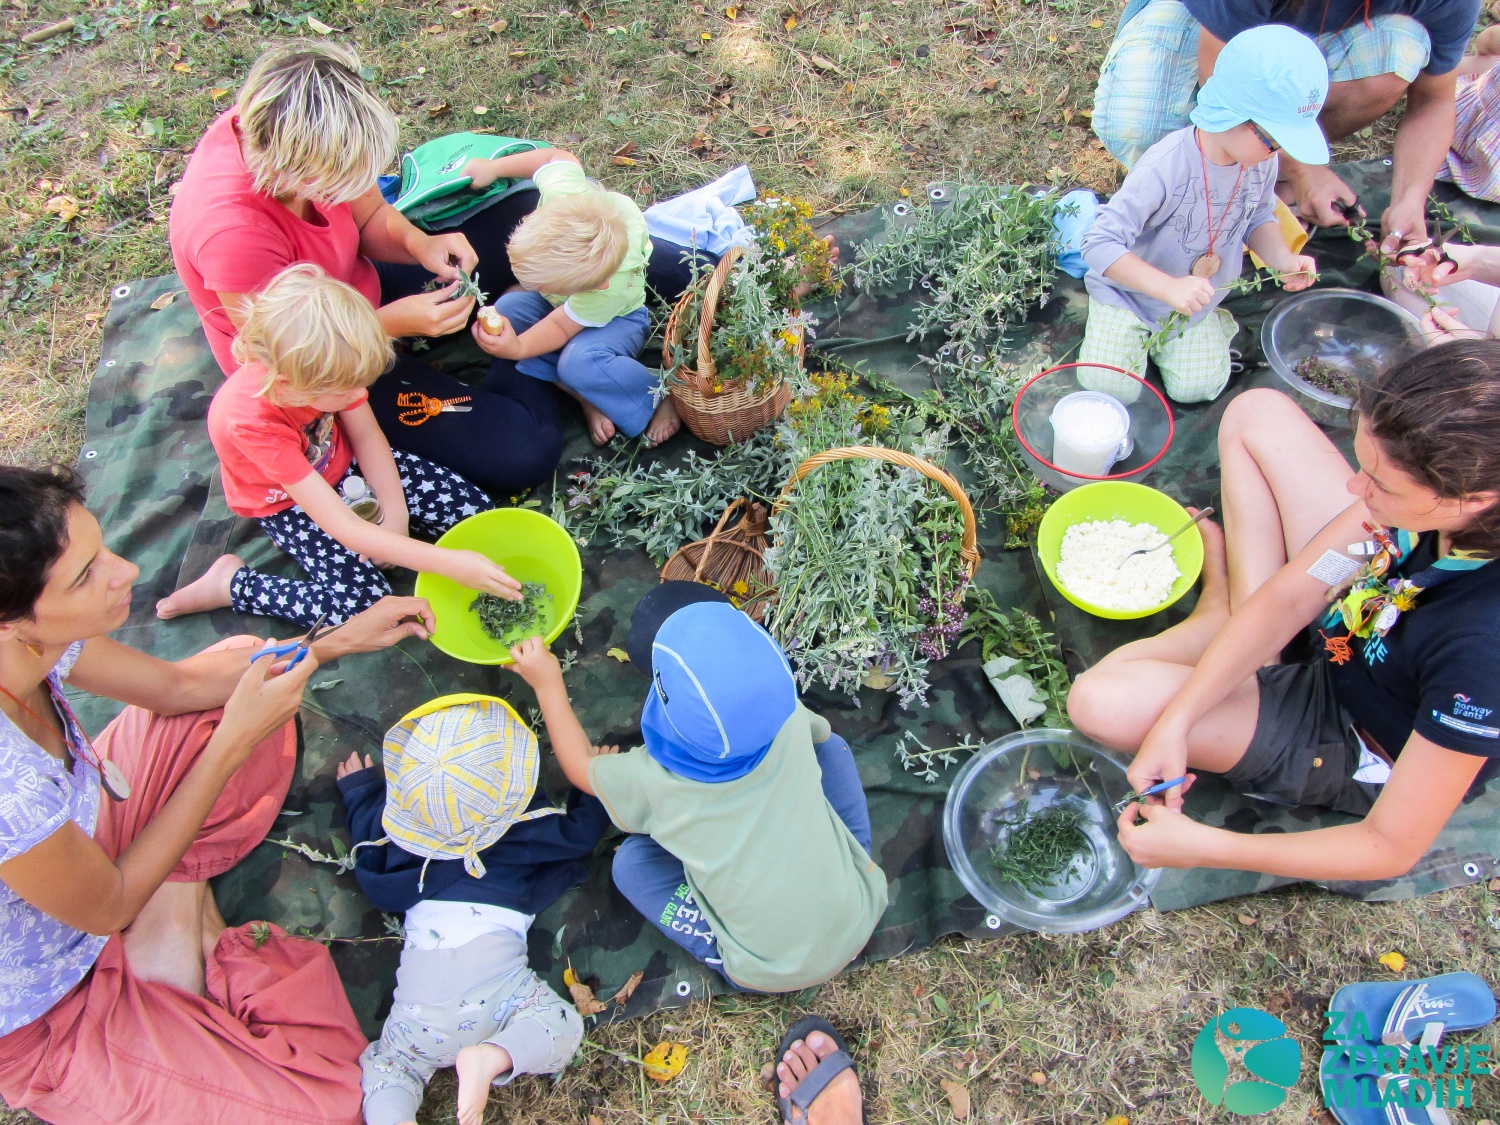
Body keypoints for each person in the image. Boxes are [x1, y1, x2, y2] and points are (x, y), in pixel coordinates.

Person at [0, 462, 438, 1125]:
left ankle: (167, 920)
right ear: (10, 621)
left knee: (242, 663)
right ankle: (162, 946)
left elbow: (176, 689)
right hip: (53, 996)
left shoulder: (32, 644)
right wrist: (234, 737)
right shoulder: (8, 781)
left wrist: (334, 643)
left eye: (100, 550)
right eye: (86, 575)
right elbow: (103, 903)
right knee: (334, 1104)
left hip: (92, 843)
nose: (123, 572)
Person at [1067, 340, 1500, 882]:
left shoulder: (1483, 653)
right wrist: (1178, 721)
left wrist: (1204, 845)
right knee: (1257, 413)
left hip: (1349, 729)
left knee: (1099, 701)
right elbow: (1299, 591)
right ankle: (1238, 630)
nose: (1353, 486)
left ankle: (1228, 631)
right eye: (1362, 463)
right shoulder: (1427, 506)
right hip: (1361, 617)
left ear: (1473, 498)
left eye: (1378, 482)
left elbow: (1388, 846)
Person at [169, 41, 564, 497]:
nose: (352, 188)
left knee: (533, 217)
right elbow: (290, 356)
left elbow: (370, 216)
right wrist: (392, 324)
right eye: (339, 181)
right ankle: (525, 336)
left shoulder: (301, 129)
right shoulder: (231, 233)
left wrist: (420, 244)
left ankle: (517, 316)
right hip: (321, 361)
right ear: (293, 168)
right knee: (523, 449)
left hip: (359, 289)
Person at [504, 582, 888, 993]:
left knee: (632, 863)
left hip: (767, 970)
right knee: (831, 746)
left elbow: (580, 768)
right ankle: (846, 864)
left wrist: (547, 684)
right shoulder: (788, 718)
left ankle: (729, 948)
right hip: (860, 909)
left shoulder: (652, 780)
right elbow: (820, 742)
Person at [155, 265, 520, 629]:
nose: (359, 396)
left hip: (342, 466)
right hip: (289, 502)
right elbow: (341, 525)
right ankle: (234, 585)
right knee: (367, 610)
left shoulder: (332, 374)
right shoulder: (250, 423)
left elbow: (367, 438)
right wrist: (447, 562)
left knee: (475, 512)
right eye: (347, 392)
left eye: (361, 384)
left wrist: (396, 518)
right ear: (285, 388)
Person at [335, 695, 608, 1125]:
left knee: (393, 1067)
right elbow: (580, 836)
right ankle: (491, 1057)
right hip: (498, 995)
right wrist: (590, 783)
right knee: (562, 1027)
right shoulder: (524, 830)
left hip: (419, 1016)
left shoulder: (401, 850)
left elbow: (369, 849)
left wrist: (360, 793)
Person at [1092, 0, 1481, 242]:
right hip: (1205, 19)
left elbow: (1433, 100)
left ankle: (1260, 175)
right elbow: (1218, 73)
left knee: (1401, 52)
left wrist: (1409, 200)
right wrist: (1303, 170)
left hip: (1318, 26)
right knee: (1140, 128)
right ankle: (1257, 172)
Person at [1079, 25, 1323, 403]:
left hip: (1196, 303)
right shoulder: (1165, 166)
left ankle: (1201, 331)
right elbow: (1098, 244)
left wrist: (1283, 260)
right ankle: (1120, 333)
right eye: (1272, 139)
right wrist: (1168, 288)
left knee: (1198, 387)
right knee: (1110, 387)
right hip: (1129, 295)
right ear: (1232, 115)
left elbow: (1258, 217)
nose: (1277, 151)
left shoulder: (1259, 161)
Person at [472, 151, 681, 447]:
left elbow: (559, 327)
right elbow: (554, 157)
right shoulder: (564, 196)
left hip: (618, 322)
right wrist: (493, 168)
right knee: (508, 310)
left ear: (594, 285)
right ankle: (586, 395)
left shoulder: (607, 288)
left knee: (579, 363)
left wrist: (516, 349)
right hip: (561, 308)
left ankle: (657, 394)